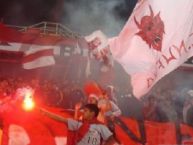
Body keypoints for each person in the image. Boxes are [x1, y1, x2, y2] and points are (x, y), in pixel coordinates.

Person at [39, 103, 116, 145]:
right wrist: (46, 113)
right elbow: (61, 119)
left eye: (85, 111)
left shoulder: (101, 127)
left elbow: (111, 140)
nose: (83, 112)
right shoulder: (79, 124)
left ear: (92, 113)